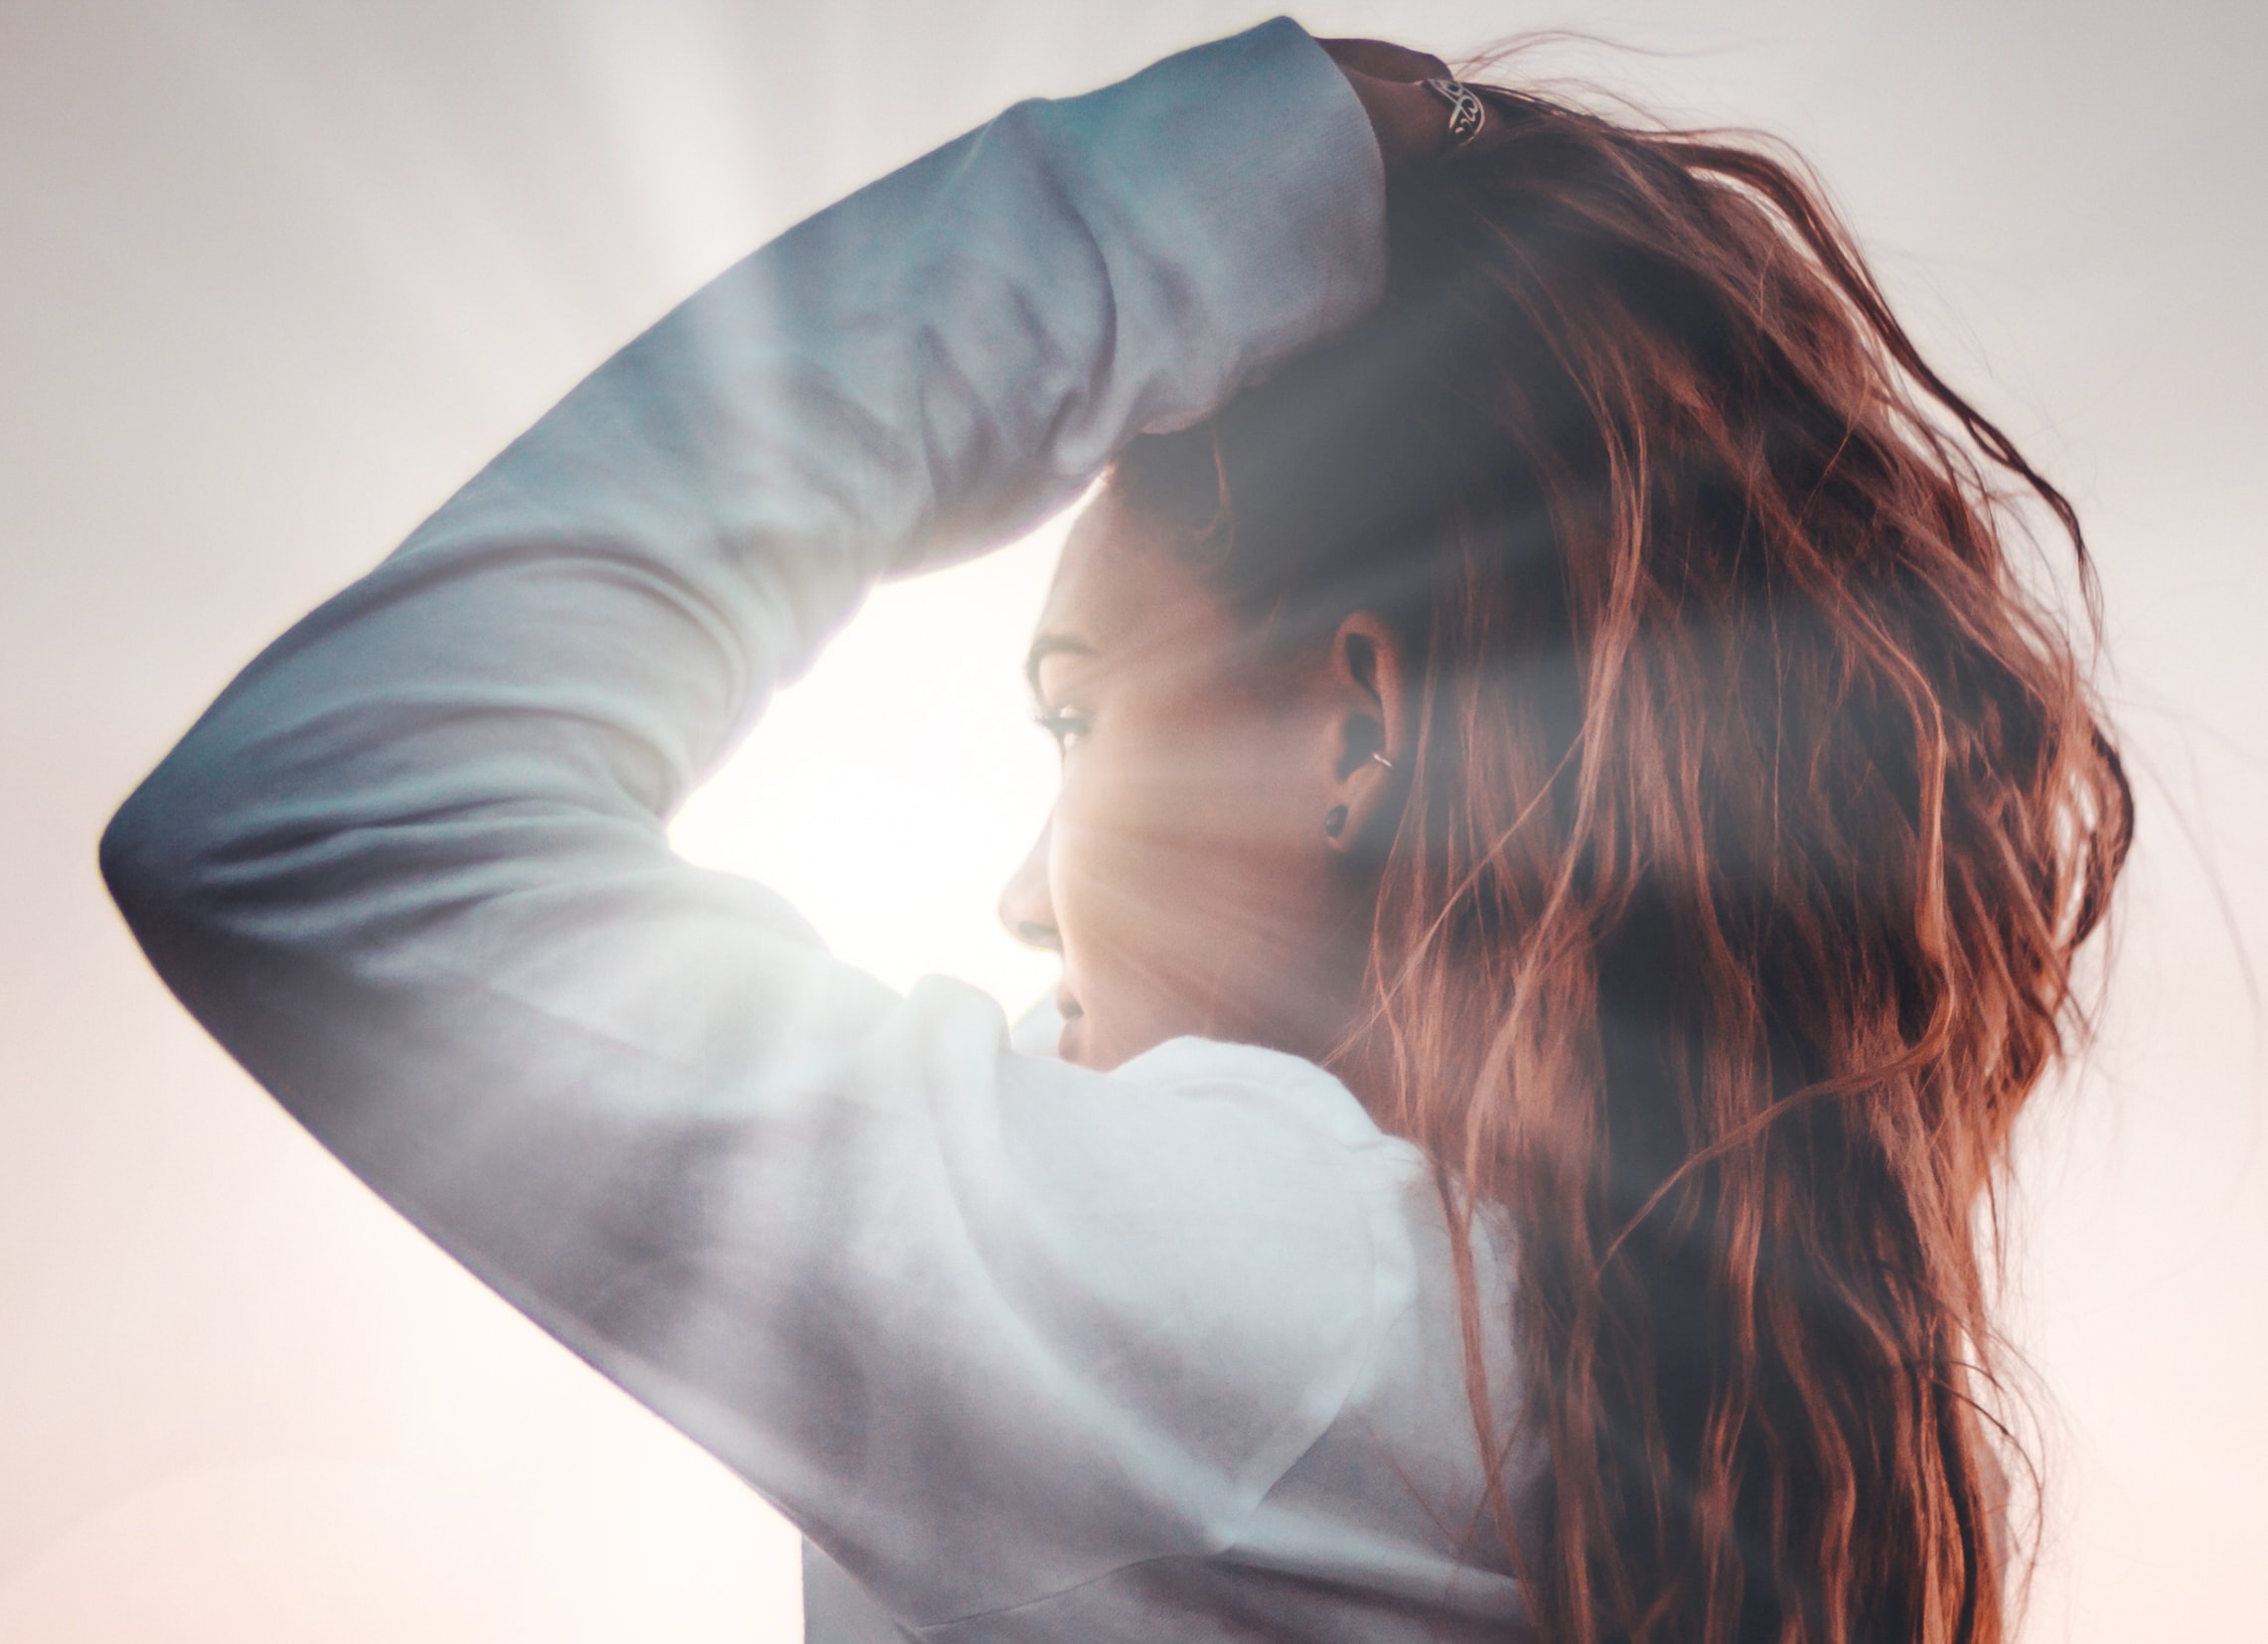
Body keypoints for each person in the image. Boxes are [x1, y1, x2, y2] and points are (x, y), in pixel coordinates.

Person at [100, 17, 2131, 1644]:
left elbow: (318, 812)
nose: (1014, 889)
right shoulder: (1672, 1408)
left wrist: (1210, 182)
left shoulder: (1282, 1324)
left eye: (1076, 716)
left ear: (1357, 736)